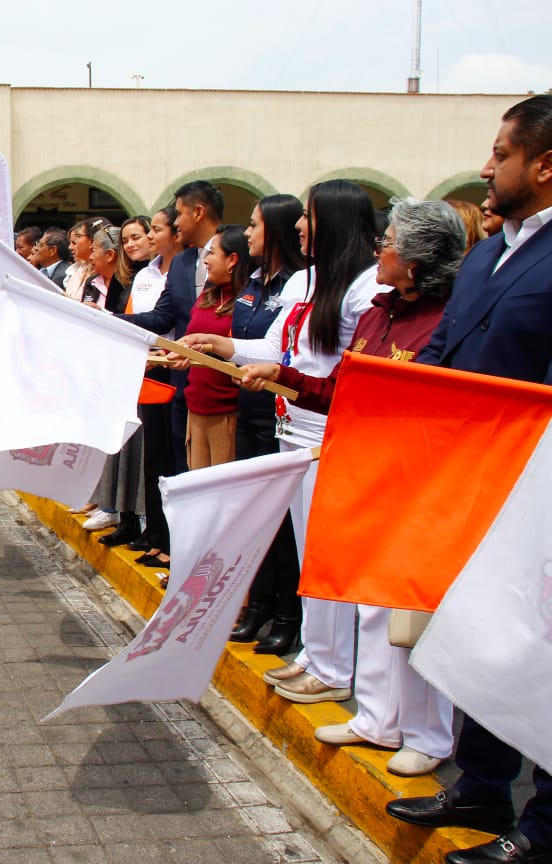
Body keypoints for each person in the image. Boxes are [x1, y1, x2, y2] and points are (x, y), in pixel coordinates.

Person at [384, 93, 552, 864]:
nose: (487, 167)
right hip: (470, 482)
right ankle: (482, 781)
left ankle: (545, 825)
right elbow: (448, 350)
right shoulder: (489, 253)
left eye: (502, 153)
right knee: (478, 637)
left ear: (544, 165)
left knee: (537, 651)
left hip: (536, 492)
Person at [243, 198, 466, 777]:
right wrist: (286, 377)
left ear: (416, 260)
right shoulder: (377, 313)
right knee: (370, 602)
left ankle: (426, 733)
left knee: (412, 611)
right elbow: (343, 388)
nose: (379, 248)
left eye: (389, 241)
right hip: (364, 469)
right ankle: (375, 716)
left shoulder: (447, 317)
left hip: (419, 479)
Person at [187, 179, 381, 704]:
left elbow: (347, 368)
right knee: (303, 549)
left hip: (330, 432)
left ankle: (336, 666)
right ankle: (316, 656)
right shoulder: (305, 282)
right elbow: (274, 347)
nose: (298, 226)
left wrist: (281, 372)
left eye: (309, 217)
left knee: (327, 553)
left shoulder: (364, 287)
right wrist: (222, 344)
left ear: (336, 222)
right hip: (289, 426)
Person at [227, 194, 306, 654]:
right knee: (255, 517)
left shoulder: (295, 286)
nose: (249, 232)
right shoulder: (254, 282)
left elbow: (275, 350)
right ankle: (258, 603)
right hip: (248, 411)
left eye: (255, 225)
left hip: (281, 417)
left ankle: (286, 612)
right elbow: (243, 341)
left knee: (283, 523)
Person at [124, 181, 225, 481]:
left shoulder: (235, 250)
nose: (176, 220)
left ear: (198, 212)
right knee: (178, 464)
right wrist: (106, 317)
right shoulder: (182, 263)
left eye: (178, 214)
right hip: (183, 379)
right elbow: (163, 316)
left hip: (222, 384)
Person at [102, 207, 179, 553]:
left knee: (165, 459)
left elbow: (160, 319)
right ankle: (145, 529)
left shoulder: (177, 272)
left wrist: (111, 319)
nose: (140, 242)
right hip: (139, 367)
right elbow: (137, 317)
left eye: (145, 234)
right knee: (147, 460)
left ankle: (163, 535)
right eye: (129, 239)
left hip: (167, 369)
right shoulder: (143, 274)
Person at [80, 226, 141, 539]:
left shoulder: (132, 282)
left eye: (138, 237)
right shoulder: (95, 281)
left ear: (109, 254)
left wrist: (103, 315)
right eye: (127, 239)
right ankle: (105, 502)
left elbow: (134, 319)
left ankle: (126, 513)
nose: (89, 254)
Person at [174, 225, 250, 469]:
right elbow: (188, 340)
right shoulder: (208, 295)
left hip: (226, 411)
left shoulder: (247, 301)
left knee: (223, 493)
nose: (205, 260)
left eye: (212, 253)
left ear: (232, 260)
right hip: (195, 406)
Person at [63, 217, 110, 302]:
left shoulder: (106, 273)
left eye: (74, 242)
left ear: (92, 240)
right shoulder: (76, 270)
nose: (70, 247)